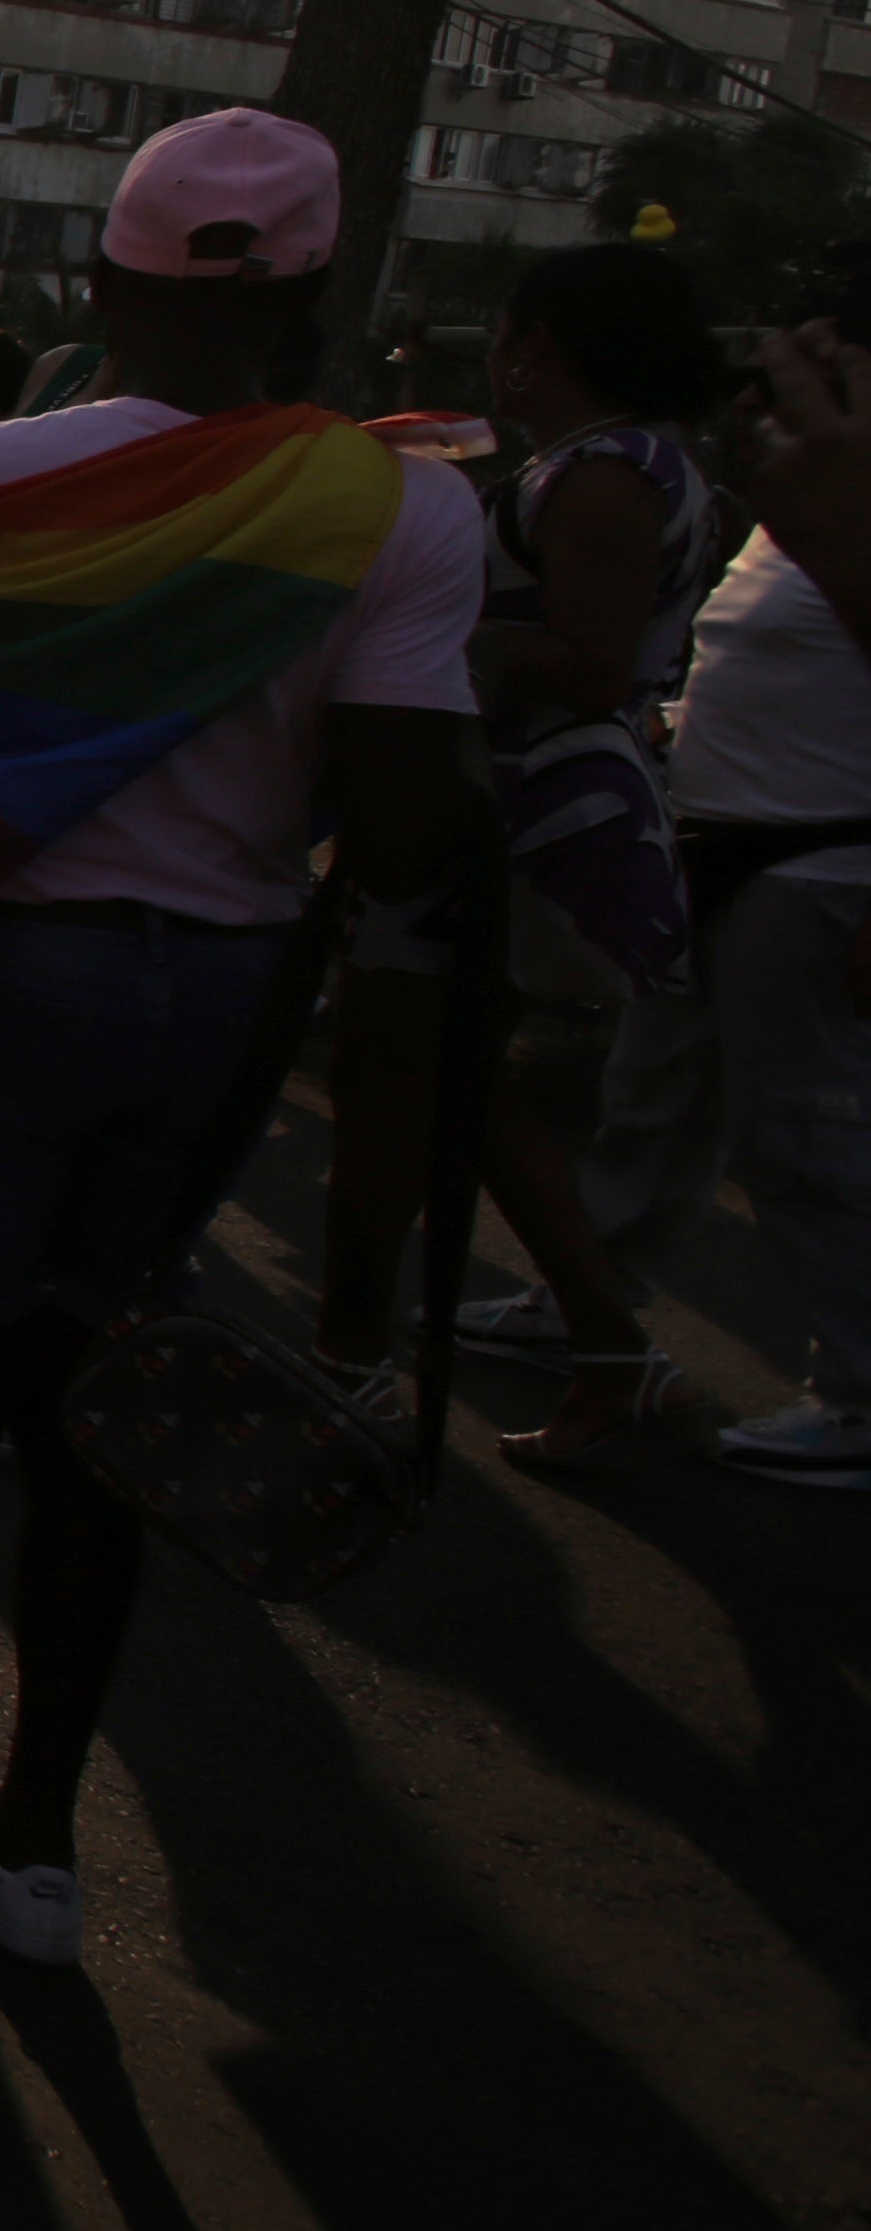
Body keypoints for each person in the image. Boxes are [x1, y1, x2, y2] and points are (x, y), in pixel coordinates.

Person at [0, 111, 486, 1973]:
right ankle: (36, 1841)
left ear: (99, 283)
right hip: (216, 999)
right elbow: (403, 838)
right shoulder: (397, 503)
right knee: (104, 1400)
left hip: (7, 976)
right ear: (324, 285)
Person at [316, 242, 726, 1472]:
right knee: (451, 1088)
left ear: (536, 347)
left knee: (402, 1079)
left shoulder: (604, 478)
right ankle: (600, 1349)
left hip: (520, 809)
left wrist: (444, 635)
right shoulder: (620, 467)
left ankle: (361, 1361)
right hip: (518, 803)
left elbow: (592, 657)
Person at [584, 309, 871, 1486]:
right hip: (720, 844)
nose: (759, 407)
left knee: (807, 1139)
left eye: (793, 387)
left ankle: (860, 1393)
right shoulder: (788, 516)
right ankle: (593, 1304)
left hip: (818, 865)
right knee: (656, 1094)